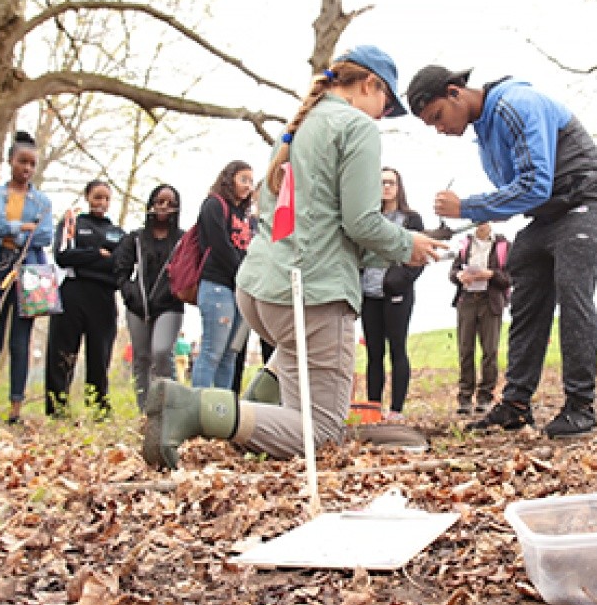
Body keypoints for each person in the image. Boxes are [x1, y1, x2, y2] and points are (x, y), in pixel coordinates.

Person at [141, 44, 446, 467]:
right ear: (370, 84)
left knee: (293, 351)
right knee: (321, 433)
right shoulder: (356, 128)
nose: (381, 114)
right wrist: (405, 244)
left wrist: (391, 249)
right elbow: (360, 221)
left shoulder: (299, 125)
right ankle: (191, 409)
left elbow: (301, 217)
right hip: (312, 295)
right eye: (385, 103)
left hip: (261, 289)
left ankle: (252, 417)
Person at [408, 65, 597, 438]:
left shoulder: (514, 104)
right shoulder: (484, 133)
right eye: (431, 125)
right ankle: (516, 404)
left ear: (455, 91)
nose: (440, 128)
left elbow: (533, 185)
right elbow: (519, 194)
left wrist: (467, 207)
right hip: (550, 212)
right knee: (525, 289)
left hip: (587, 198)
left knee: (573, 290)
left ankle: (580, 407)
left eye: (438, 116)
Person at [0, 130, 54, 425]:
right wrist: (22, 227)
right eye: (22, 162)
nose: (27, 169)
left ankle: (16, 409)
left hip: (28, 270)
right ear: (10, 161)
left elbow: (45, 234)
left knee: (21, 340)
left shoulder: (41, 201)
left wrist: (15, 230)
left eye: (32, 164)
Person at [45, 180, 123, 417]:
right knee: (62, 352)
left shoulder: (118, 233)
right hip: (72, 293)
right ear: (88, 197)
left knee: (100, 355)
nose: (102, 203)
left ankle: (99, 408)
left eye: (106, 199)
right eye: (97, 197)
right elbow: (63, 256)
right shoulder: (72, 223)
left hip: (104, 298)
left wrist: (86, 260)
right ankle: (57, 406)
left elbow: (119, 265)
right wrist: (96, 254)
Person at [360, 166, 425, 419]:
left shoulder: (411, 219)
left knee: (397, 348)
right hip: (369, 292)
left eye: (391, 182)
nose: (386, 187)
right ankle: (373, 408)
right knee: (373, 352)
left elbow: (419, 259)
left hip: (396, 292)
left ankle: (396, 410)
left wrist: (400, 280)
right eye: (382, 182)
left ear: (399, 187)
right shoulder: (367, 219)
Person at [114, 184, 185, 412]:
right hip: (138, 306)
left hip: (170, 305)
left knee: (162, 351)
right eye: (159, 201)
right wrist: (129, 292)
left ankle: (170, 408)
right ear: (151, 204)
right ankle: (145, 411)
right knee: (141, 358)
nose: (164, 207)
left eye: (170, 203)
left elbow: (189, 270)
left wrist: (177, 290)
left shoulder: (182, 240)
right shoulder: (135, 238)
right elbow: (120, 269)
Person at [190, 161, 254, 389]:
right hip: (217, 284)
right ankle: (198, 407)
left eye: (251, 181)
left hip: (240, 289)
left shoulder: (247, 217)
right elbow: (220, 246)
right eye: (243, 179)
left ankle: (219, 412)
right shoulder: (213, 205)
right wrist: (242, 272)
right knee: (212, 350)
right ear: (229, 179)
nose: (248, 186)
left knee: (230, 354)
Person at [450, 221, 511, 415]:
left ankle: (485, 397)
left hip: (490, 301)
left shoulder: (503, 245)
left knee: (490, 351)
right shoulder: (464, 244)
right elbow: (452, 272)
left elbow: (510, 277)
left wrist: (490, 274)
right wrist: (460, 275)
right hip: (467, 300)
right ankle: (465, 398)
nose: (481, 224)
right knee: (465, 350)